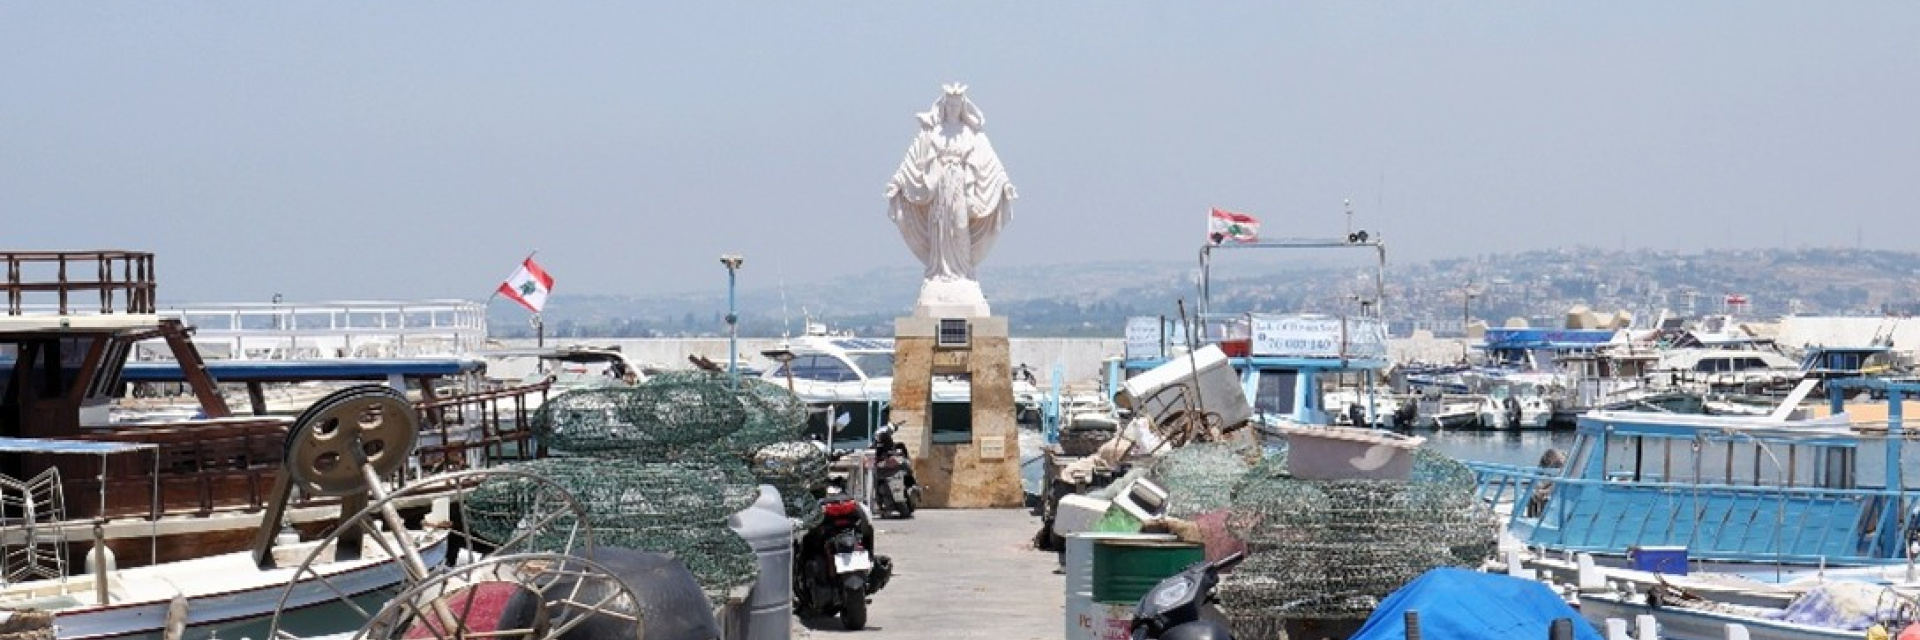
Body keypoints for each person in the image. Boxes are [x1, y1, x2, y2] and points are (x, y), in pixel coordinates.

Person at [885, 84, 1017, 284]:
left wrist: (1005, 184)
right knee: (941, 228)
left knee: (960, 225)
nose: (953, 109)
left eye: (957, 105)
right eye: (950, 105)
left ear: (962, 106)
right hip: (940, 189)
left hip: (961, 188)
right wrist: (897, 181)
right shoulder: (932, 133)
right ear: (944, 106)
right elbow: (912, 158)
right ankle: (941, 271)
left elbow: (992, 163)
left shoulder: (972, 134)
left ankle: (962, 271)